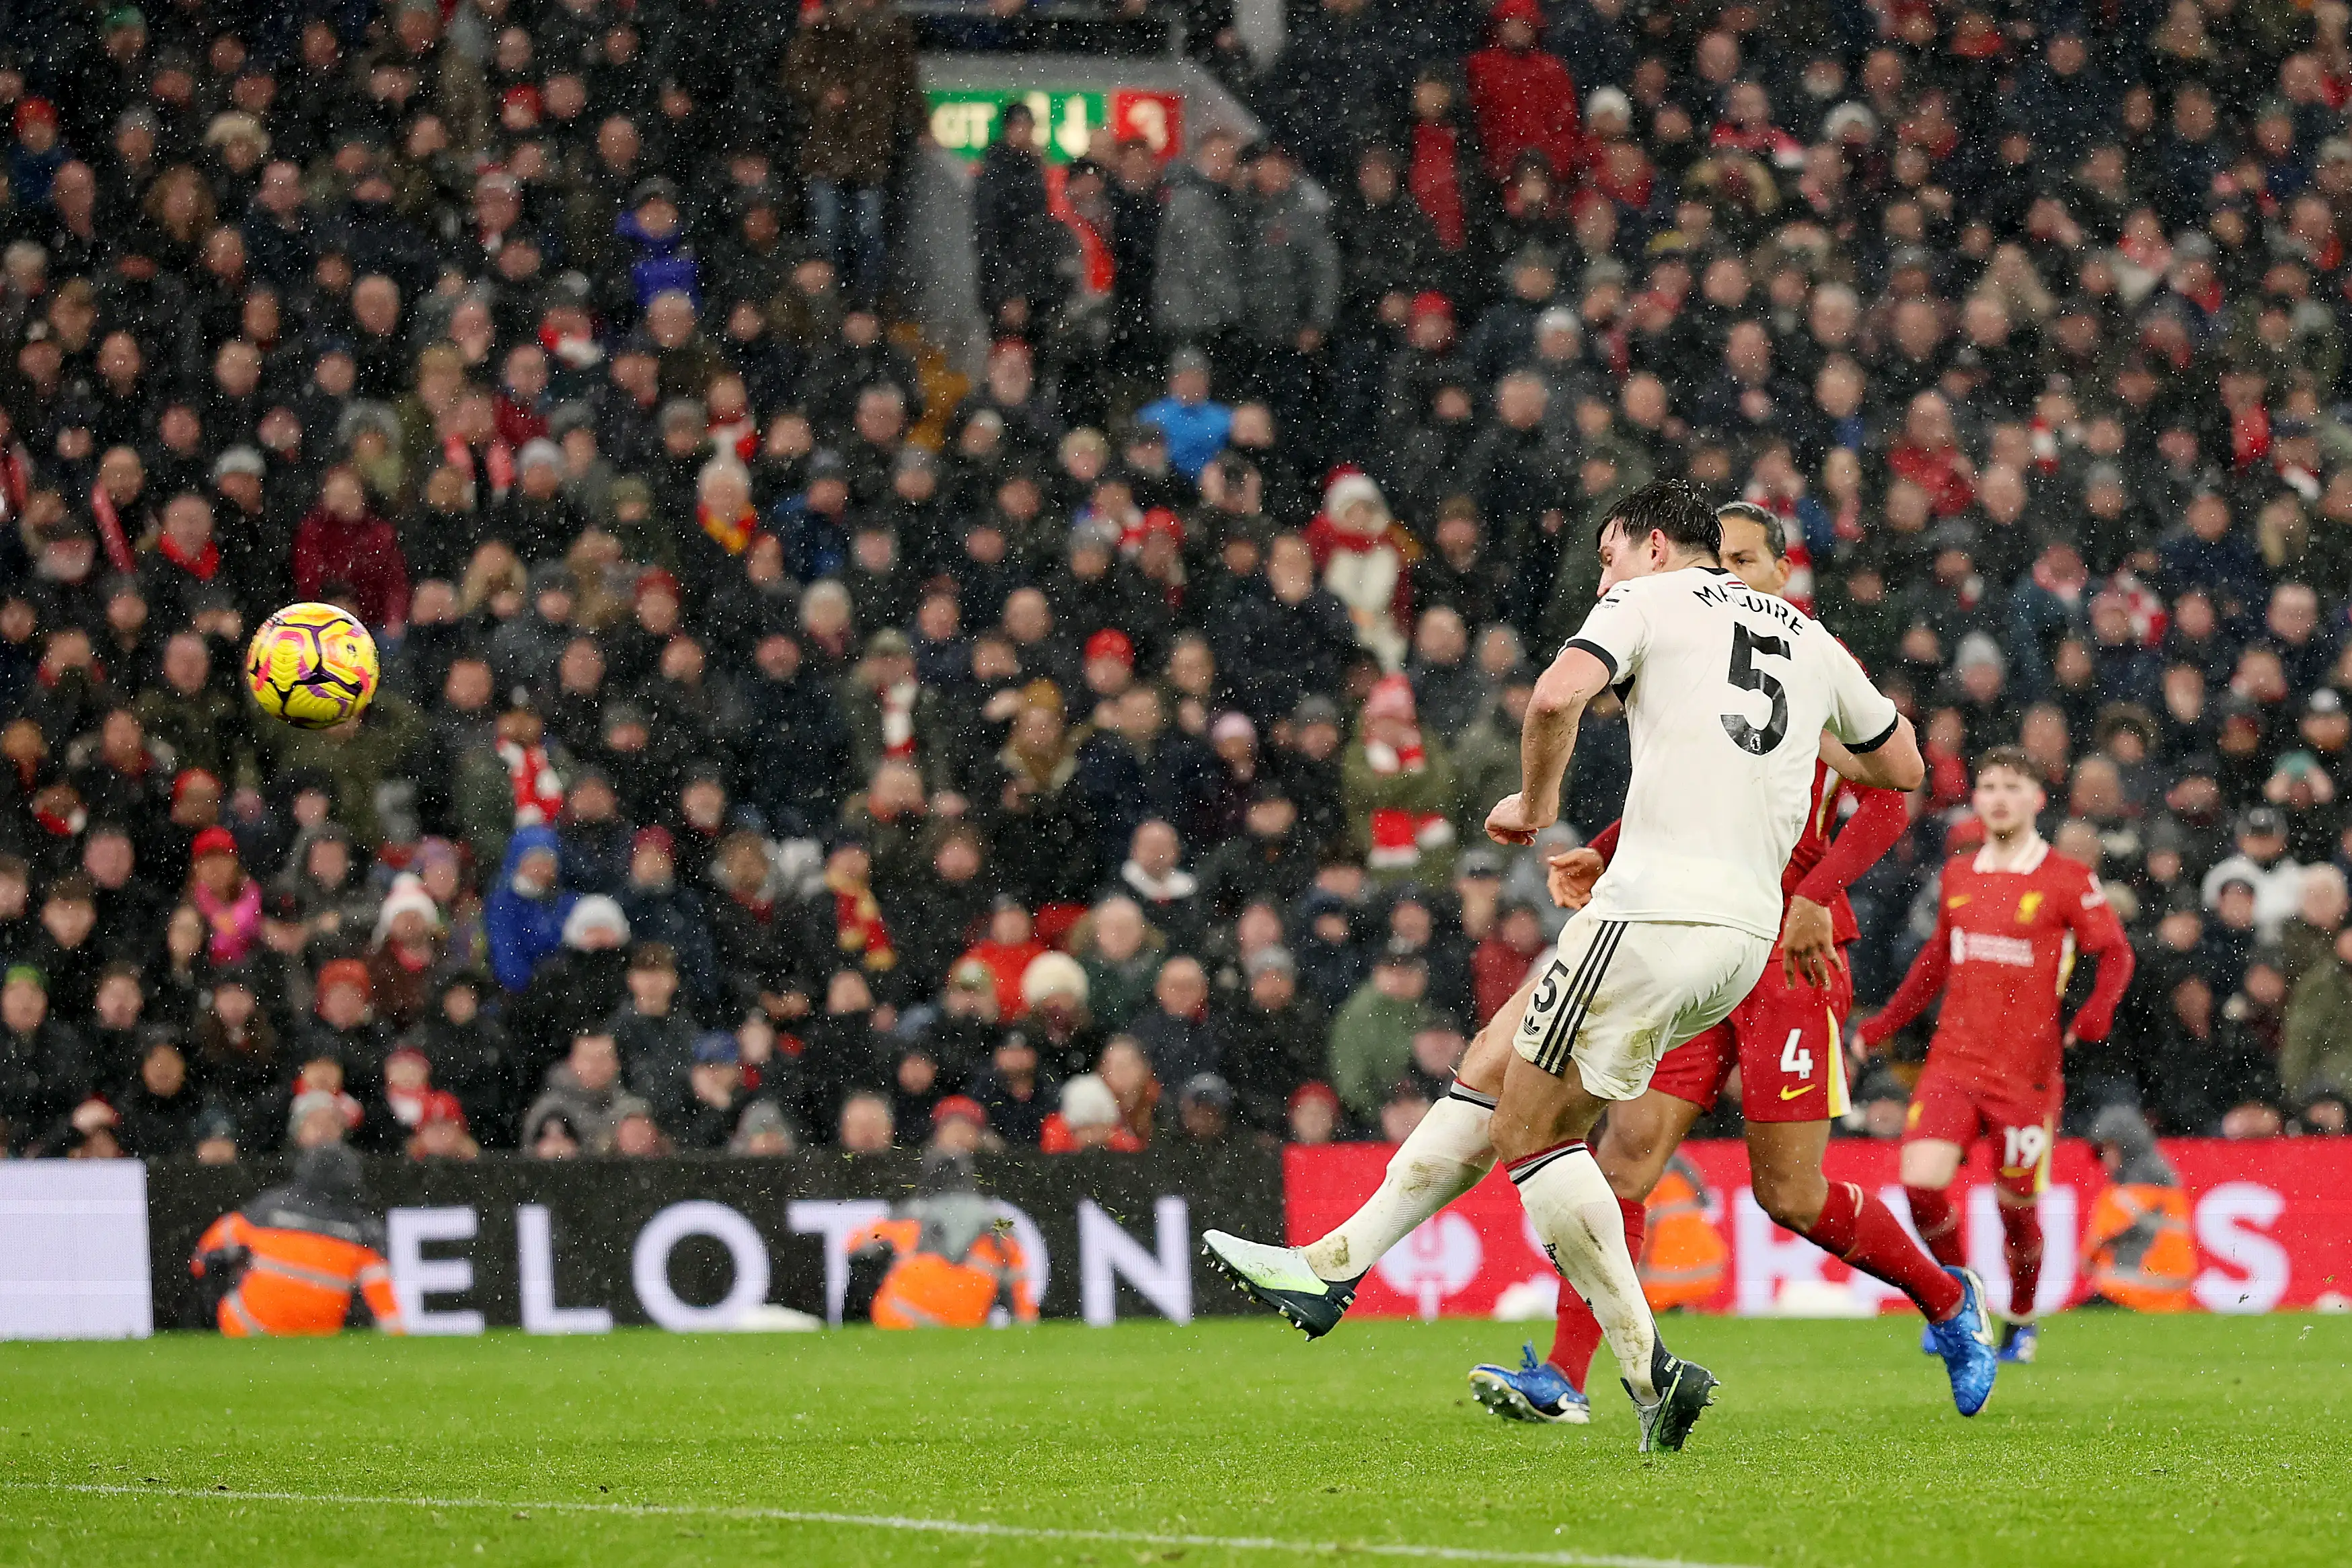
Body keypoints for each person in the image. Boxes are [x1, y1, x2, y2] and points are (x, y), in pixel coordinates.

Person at [1203, 481, 1935, 1452]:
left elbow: (1555, 695)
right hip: (1739, 938)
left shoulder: (1645, 598)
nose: (1602, 574)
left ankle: (1647, 1369)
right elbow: (1904, 769)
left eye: (1607, 553)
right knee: (1495, 1058)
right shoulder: (1805, 637)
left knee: (1531, 1133)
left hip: (1649, 913)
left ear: (1654, 542)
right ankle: (1331, 1266)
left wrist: (1533, 802)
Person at [1470, 502, 1979, 1424]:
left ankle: (1948, 1300)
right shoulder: (1703, 655)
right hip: (1692, 942)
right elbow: (1688, 800)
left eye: (1749, 560)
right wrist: (1610, 848)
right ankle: (1563, 1375)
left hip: (1790, 955)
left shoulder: (1803, 662)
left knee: (1790, 1193)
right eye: (1725, 558)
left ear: (1783, 569)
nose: (1732, 575)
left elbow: (1889, 798)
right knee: (1622, 1161)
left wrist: (1816, 896)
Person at [1856, 746, 2136, 1366]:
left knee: (2016, 1213)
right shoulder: (1959, 874)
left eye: (2012, 785)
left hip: (2025, 1079)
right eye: (1988, 786)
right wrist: (1882, 1024)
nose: (1999, 797)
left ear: (2036, 799)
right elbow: (1935, 961)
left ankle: (2023, 1318)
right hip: (1953, 1065)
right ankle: (1960, 1299)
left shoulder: (2065, 877)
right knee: (1920, 1187)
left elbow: (2114, 952)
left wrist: (2093, 1016)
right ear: (1976, 799)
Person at [188, 1144, 405, 1336]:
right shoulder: (362, 1230)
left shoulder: (268, 1209)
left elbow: (204, 1257)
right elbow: (385, 1305)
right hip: (316, 1341)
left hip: (248, 1328)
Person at [843, 1150, 1038, 1329]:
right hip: (967, 1321)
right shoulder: (994, 1223)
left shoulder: (908, 1216)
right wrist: (1025, 1321)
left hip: (904, 1318)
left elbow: (855, 1246)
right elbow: (1019, 1281)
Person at [2080, 1106, 2195, 1313]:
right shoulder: (2167, 1181)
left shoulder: (2129, 1191)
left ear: (2123, 1146)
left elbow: (2100, 1239)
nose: (2104, 1160)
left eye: (2105, 1150)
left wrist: (2087, 1257)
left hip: (2131, 1297)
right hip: (2171, 1299)